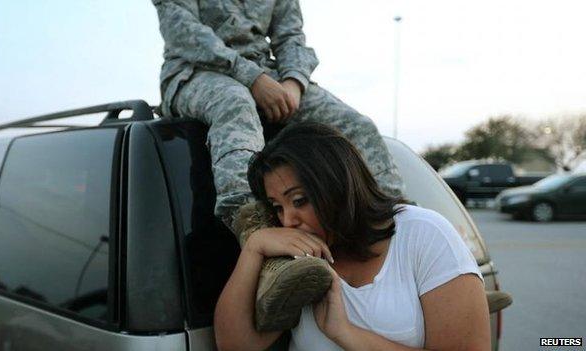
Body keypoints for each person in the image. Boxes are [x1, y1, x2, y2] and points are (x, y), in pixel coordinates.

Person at [150, 0, 404, 331]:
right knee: (234, 105)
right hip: (195, 73)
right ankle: (269, 259)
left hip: (271, 76)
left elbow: (291, 36)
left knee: (356, 125)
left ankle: (408, 259)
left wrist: (293, 84)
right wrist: (253, 78)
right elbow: (182, 32)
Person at [214, 123, 491, 351]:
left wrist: (345, 333)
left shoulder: (423, 235)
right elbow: (236, 346)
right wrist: (254, 247)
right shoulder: (295, 262)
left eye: (299, 200)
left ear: (337, 186)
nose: (287, 221)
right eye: (277, 207)